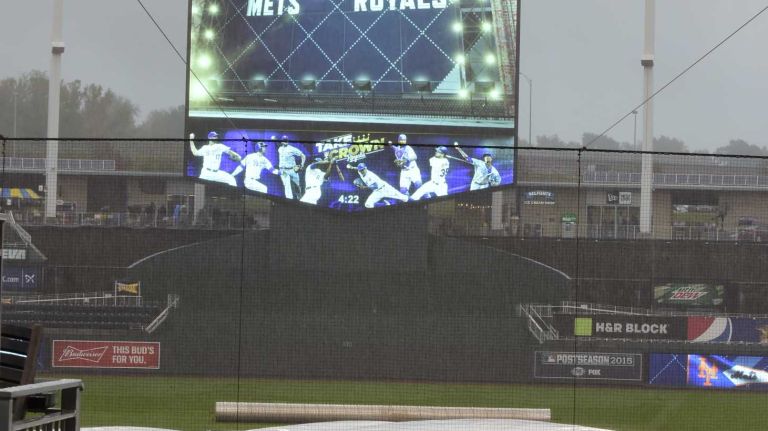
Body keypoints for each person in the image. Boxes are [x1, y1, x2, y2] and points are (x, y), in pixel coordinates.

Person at [276, 135, 306, 199]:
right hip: (283, 171)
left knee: (297, 186)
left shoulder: (291, 148)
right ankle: (289, 200)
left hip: (292, 170)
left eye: (286, 140)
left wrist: (302, 165)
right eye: (284, 140)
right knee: (287, 186)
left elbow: (303, 155)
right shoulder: (280, 149)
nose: (285, 141)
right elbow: (278, 145)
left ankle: (300, 198)